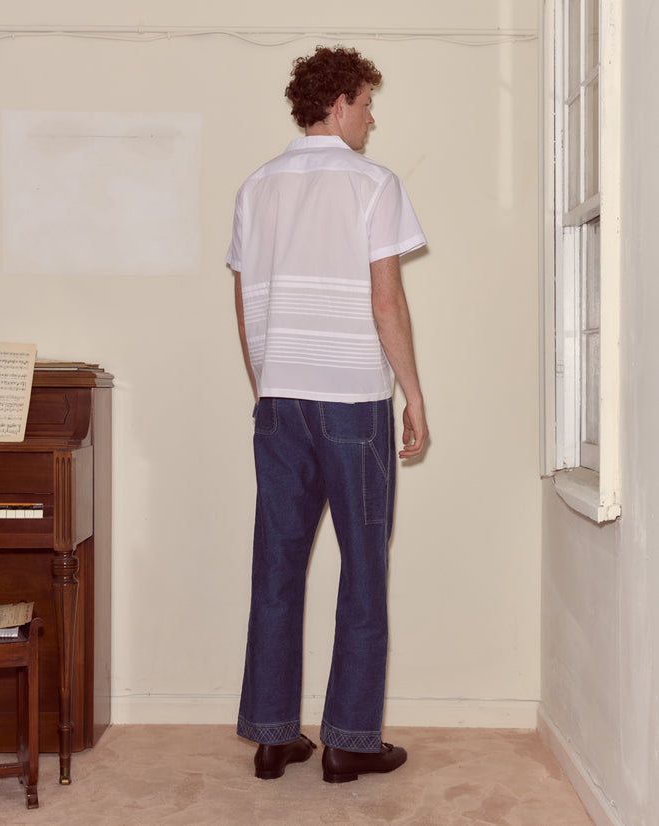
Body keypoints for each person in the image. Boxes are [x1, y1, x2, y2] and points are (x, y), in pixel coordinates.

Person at [226, 45, 428, 784]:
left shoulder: (256, 187)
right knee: (364, 567)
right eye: (367, 105)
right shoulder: (373, 184)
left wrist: (267, 387)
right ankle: (349, 742)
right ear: (339, 104)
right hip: (353, 404)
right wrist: (413, 394)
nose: (372, 120)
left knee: (276, 565)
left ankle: (273, 737)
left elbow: (245, 303)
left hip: (279, 400)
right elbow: (386, 301)